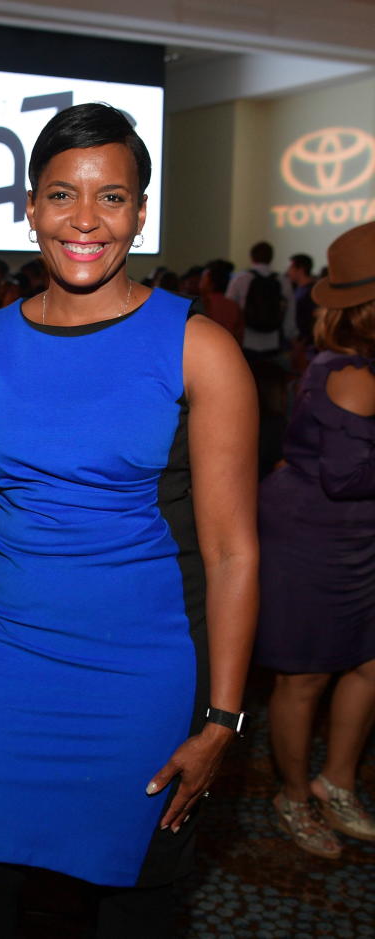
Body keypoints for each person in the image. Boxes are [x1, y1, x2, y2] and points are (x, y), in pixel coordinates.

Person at [0, 103, 259, 938]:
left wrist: (223, 719)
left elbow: (231, 552)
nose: (86, 220)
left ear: (141, 212)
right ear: (31, 206)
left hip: (139, 682)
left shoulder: (197, 347)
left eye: (112, 197)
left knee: (134, 911)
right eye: (62, 195)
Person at [256, 221, 375, 859]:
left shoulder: (356, 365)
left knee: (368, 664)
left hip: (354, 535)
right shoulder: (353, 373)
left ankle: (338, 782)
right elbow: (347, 474)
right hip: (314, 538)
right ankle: (294, 795)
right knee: (303, 678)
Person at [200, 258, 243, 344]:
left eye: (202, 278)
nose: (200, 282)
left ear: (208, 280)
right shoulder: (234, 306)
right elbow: (239, 336)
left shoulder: (203, 304)